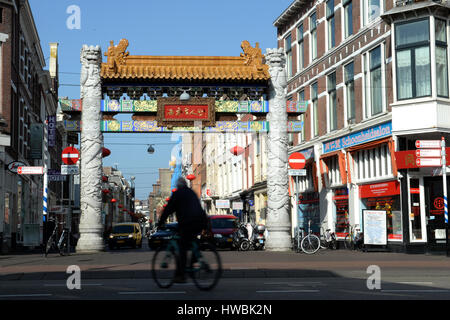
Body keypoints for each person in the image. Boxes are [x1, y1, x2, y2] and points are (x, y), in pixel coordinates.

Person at [157, 177, 208, 283]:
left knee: (182, 248)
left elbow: (168, 209)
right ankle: (194, 260)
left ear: (178, 186)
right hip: (200, 221)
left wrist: (161, 222)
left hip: (188, 223)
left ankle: (182, 275)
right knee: (193, 241)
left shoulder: (178, 194)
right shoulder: (191, 192)